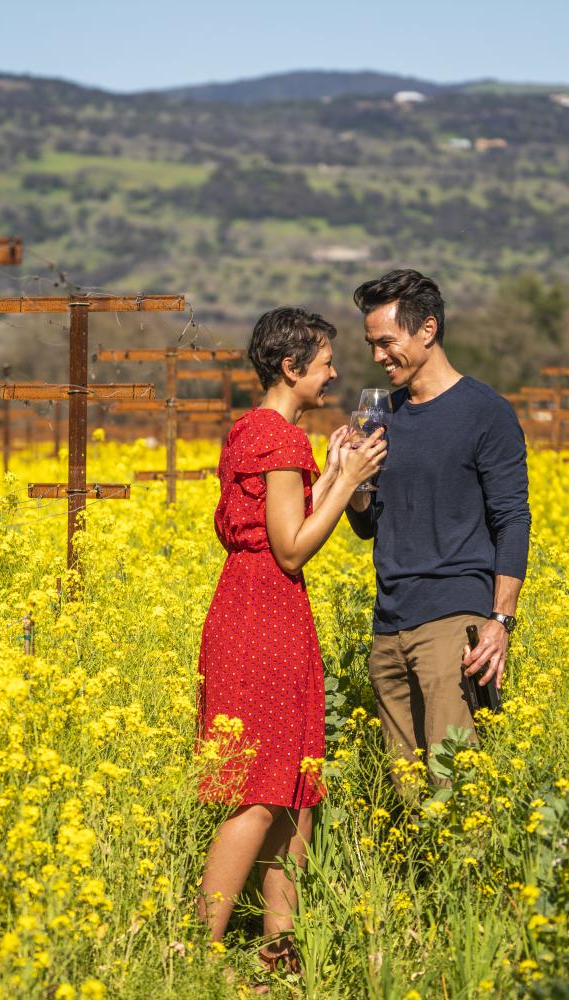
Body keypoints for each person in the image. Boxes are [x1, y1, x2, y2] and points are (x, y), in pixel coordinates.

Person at [196, 306, 385, 978]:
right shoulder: (277, 439)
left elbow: (283, 524)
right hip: (265, 616)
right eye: (326, 361)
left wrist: (333, 474)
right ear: (291, 366)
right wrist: (353, 485)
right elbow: (294, 546)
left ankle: (281, 956)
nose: (335, 371)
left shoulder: (253, 429)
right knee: (260, 791)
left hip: (255, 607)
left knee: (294, 790)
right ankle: (197, 950)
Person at [345, 269, 530, 785]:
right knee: (405, 794)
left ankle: (474, 870)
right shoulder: (384, 418)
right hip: (388, 625)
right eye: (371, 345)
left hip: (453, 623)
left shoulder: (485, 413)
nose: (378, 357)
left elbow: (513, 518)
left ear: (427, 330)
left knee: (457, 789)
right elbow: (367, 525)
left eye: (387, 342)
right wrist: (350, 479)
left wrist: (500, 621)